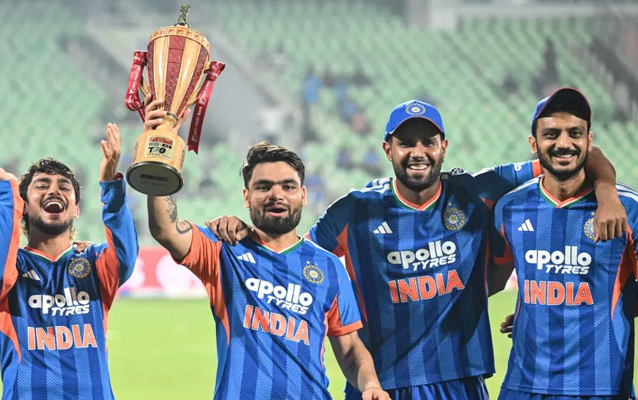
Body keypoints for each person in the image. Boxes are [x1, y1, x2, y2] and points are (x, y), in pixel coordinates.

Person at [207, 99, 626, 399]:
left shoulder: (475, 191)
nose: (418, 152)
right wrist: (246, 231)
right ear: (387, 149)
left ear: (444, 146)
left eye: (428, 141)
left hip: (459, 378)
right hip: (379, 385)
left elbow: (577, 155)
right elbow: (292, 255)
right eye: (406, 142)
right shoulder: (353, 210)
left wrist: (606, 190)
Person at [142, 96, 390, 400]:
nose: (276, 194)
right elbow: (165, 228)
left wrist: (371, 385)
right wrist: (164, 144)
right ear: (246, 197)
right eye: (263, 187)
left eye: (288, 186)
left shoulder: (329, 267)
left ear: (303, 195)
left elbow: (350, 349)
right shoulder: (224, 250)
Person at [489, 87, 636, 400]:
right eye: (552, 134)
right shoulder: (510, 208)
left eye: (575, 133)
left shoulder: (629, 210)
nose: (564, 143)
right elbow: (496, 280)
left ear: (589, 141)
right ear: (534, 144)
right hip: (523, 385)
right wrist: (542, 315)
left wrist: (599, 315)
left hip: (602, 387)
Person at [0, 123, 138, 399]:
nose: (54, 191)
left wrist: (111, 185)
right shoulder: (12, 266)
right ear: (25, 205)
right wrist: (8, 194)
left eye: (64, 187)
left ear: (76, 209)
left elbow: (126, 258)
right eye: (42, 186)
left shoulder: (93, 262)